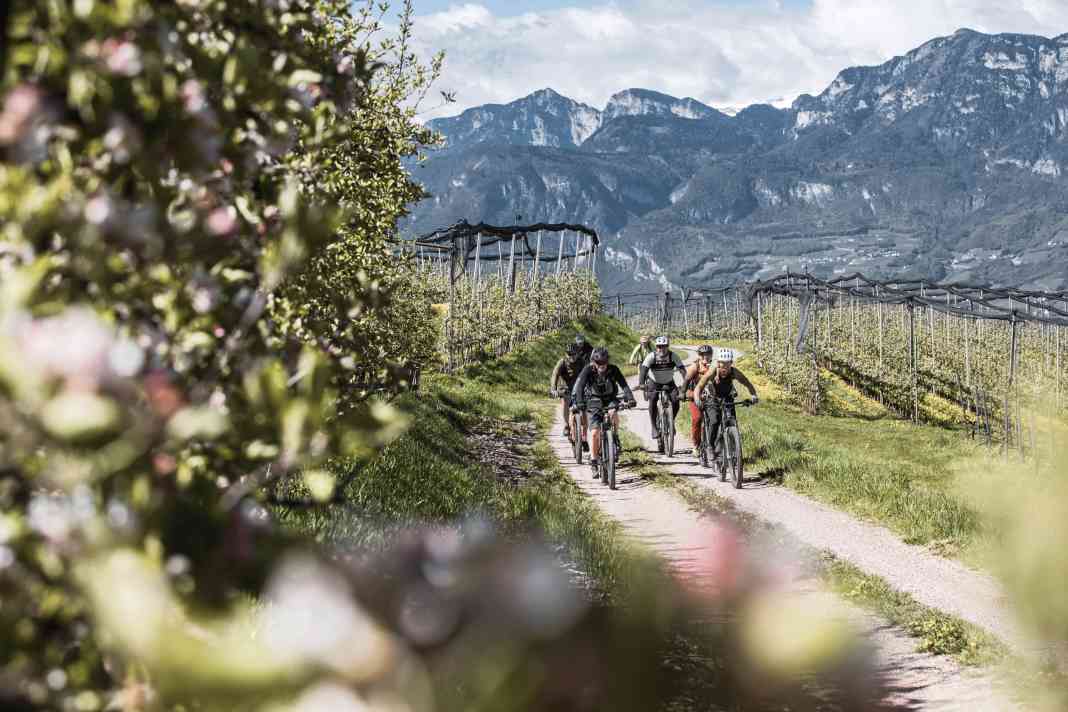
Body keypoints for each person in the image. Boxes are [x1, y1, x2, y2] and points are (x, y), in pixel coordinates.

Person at [571, 347, 636, 471]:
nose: (602, 365)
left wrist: (630, 398)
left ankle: (615, 437)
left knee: (613, 412)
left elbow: (624, 384)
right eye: (599, 363)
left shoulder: (613, 369)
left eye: (604, 362)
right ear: (594, 362)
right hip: (593, 400)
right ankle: (594, 460)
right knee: (595, 432)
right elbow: (580, 387)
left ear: (608, 361)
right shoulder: (588, 370)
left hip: (610, 398)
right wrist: (579, 402)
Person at [694, 347, 759, 461]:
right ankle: (710, 446)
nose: (725, 367)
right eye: (722, 364)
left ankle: (733, 448)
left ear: (731, 363)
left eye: (727, 364)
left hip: (727, 398)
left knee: (732, 421)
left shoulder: (734, 372)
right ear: (718, 363)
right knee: (714, 421)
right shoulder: (712, 371)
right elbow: (699, 386)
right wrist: (697, 398)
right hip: (712, 398)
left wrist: (753, 395)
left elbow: (747, 383)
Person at [638, 336, 686, 452]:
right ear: (656, 347)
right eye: (659, 347)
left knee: (676, 400)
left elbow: (682, 370)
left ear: (667, 347)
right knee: (653, 399)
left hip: (669, 382)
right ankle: (654, 427)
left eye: (664, 347)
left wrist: (686, 383)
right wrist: (641, 384)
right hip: (654, 382)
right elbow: (643, 370)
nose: (661, 349)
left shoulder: (673, 356)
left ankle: (670, 422)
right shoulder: (651, 356)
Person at [550, 342, 587, 448]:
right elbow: (555, 375)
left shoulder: (582, 362)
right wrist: (553, 389)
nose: (571, 357)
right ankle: (567, 425)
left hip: (579, 388)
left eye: (573, 354)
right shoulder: (562, 362)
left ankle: (583, 435)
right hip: (565, 388)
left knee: (584, 408)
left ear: (577, 353)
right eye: (569, 354)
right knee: (565, 402)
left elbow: (588, 374)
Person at [684, 344, 715, 455]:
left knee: (715, 420)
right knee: (697, 419)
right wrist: (684, 393)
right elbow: (686, 384)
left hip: (710, 397)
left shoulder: (715, 365)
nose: (705, 357)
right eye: (702, 355)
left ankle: (715, 444)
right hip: (694, 396)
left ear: (711, 355)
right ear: (699, 355)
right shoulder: (695, 367)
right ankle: (696, 445)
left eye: (708, 355)